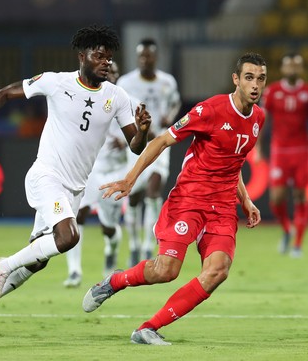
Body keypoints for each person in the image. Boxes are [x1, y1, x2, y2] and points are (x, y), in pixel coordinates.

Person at [0, 24, 151, 337]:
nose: (106, 63)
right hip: (46, 175)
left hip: (74, 188)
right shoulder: (56, 82)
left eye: (109, 58)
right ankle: (2, 265)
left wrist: (141, 130)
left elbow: (136, 146)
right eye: (99, 57)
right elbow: (6, 93)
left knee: (37, 262)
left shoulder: (117, 96)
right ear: (82, 56)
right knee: (68, 237)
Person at [82, 52, 266, 346]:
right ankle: (115, 281)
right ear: (236, 79)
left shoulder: (258, 117)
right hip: (189, 200)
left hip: (222, 209)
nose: (255, 85)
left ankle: (148, 329)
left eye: (260, 78)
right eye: (249, 77)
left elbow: (235, 161)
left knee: (217, 272)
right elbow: (161, 140)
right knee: (166, 271)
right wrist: (131, 179)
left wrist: (245, 200)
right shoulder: (210, 110)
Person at [62, 61, 133, 287]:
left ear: (118, 75)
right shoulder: (87, 98)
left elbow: (143, 135)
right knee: (78, 215)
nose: (109, 75)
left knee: (108, 227)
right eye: (106, 71)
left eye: (113, 72)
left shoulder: (127, 101)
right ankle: (74, 271)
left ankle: (111, 249)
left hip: (116, 171)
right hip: (91, 168)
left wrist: (127, 141)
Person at [256, 52, 308, 258]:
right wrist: (257, 147)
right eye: (289, 66)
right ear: (282, 69)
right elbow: (263, 120)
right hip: (279, 150)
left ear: (301, 68)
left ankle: (298, 244)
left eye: (296, 66)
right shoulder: (272, 91)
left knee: (300, 195)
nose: (292, 69)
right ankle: (286, 229)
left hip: (302, 151)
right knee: (276, 197)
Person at [116, 38, 181, 266]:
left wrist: (170, 117)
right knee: (133, 197)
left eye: (149, 55)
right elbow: (119, 110)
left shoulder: (168, 81)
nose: (145, 59)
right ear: (137, 58)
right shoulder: (126, 82)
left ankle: (146, 247)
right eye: (141, 55)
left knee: (154, 190)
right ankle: (134, 245)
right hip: (137, 145)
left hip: (161, 141)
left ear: (156, 57)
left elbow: (175, 102)